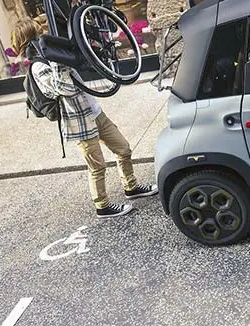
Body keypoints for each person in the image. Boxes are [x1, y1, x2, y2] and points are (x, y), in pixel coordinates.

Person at [12, 17, 158, 218]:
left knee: (123, 148)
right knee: (97, 166)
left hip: (95, 112)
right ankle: (102, 206)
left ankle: (131, 187)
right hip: (79, 122)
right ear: (28, 43)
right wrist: (56, 60)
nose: (42, 38)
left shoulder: (53, 55)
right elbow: (64, 89)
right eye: (37, 36)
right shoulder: (39, 67)